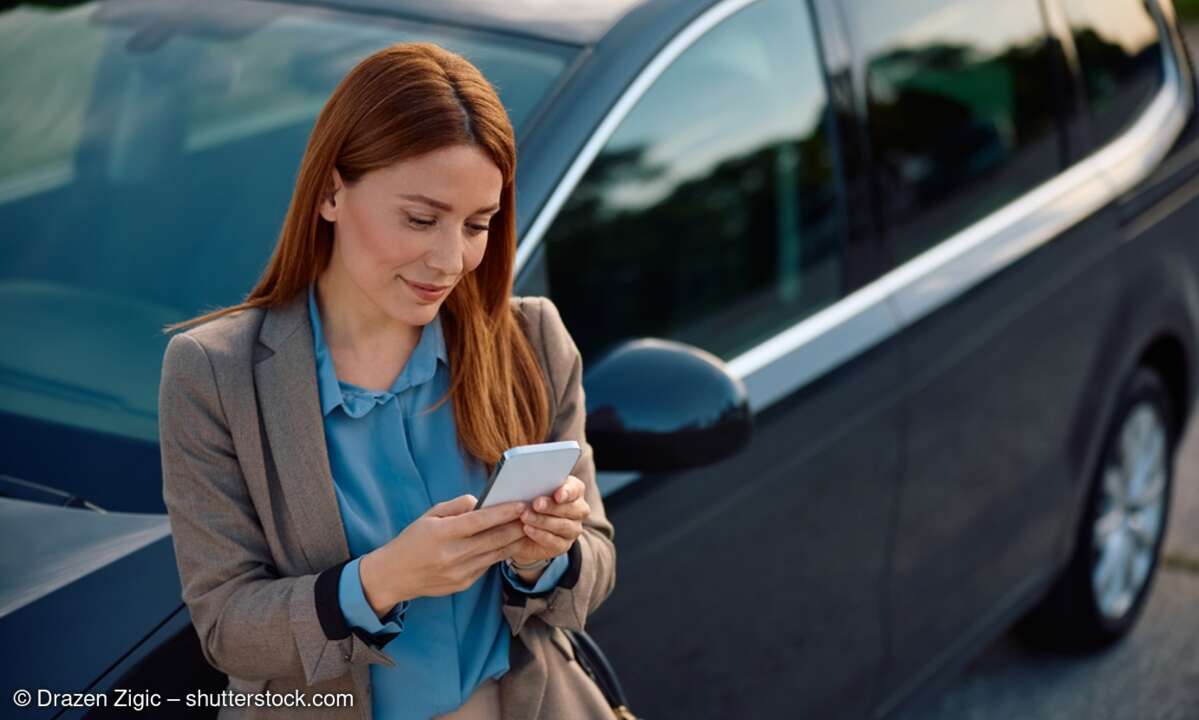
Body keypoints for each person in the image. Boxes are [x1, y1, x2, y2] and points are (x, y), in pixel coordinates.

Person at [157, 41, 616, 720]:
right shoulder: (215, 374)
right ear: (330, 192)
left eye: (477, 225)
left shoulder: (531, 339)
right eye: (420, 219)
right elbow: (227, 629)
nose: (450, 258)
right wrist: (382, 580)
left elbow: (596, 562)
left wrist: (544, 557)